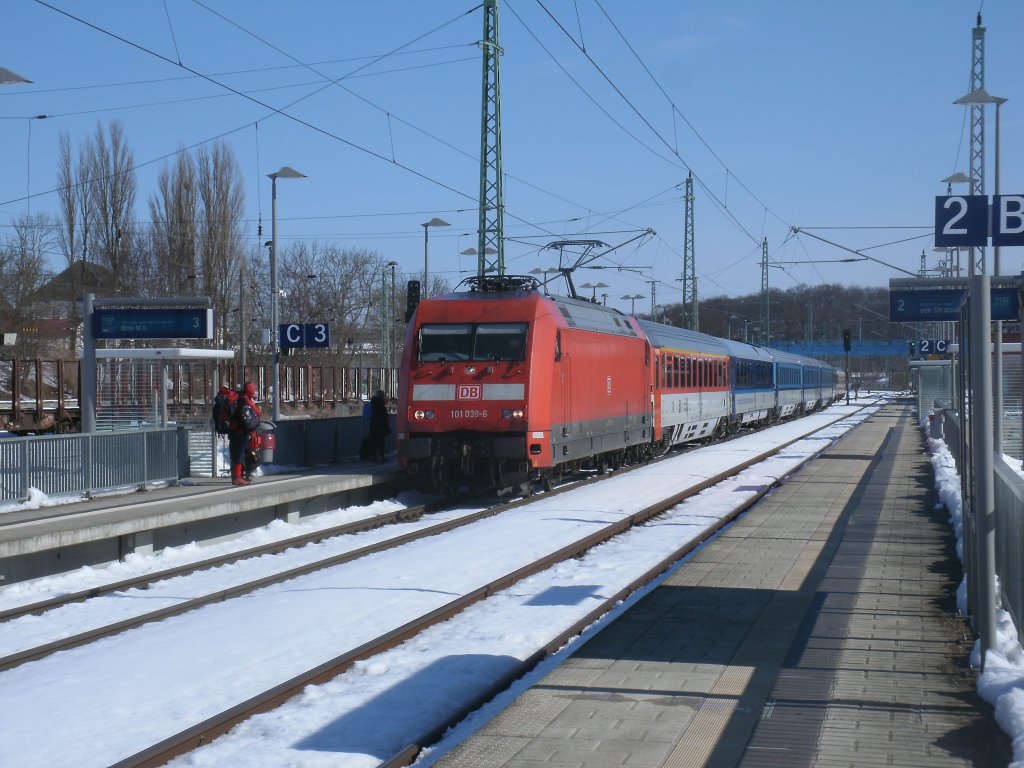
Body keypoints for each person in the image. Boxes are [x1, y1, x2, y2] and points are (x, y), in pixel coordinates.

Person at [229, 382, 261, 485]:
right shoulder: (244, 402)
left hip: (234, 431)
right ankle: (237, 477)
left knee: (237, 454)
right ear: (250, 391)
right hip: (240, 432)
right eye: (254, 390)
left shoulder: (239, 399)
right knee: (239, 454)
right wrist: (253, 428)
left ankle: (238, 475)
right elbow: (247, 420)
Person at [369, 388, 391, 461]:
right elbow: (383, 415)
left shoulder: (372, 402)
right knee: (381, 440)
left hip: (373, 423)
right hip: (380, 424)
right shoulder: (380, 403)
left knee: (374, 440)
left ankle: (373, 455)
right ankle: (381, 456)